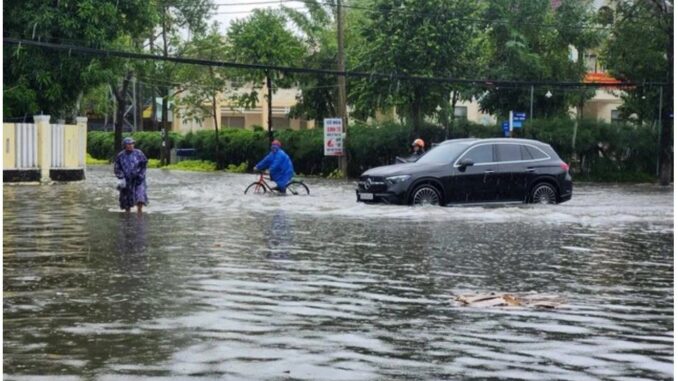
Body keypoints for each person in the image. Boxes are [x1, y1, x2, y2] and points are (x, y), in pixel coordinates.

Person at [114, 137, 148, 213]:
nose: (131, 145)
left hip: (138, 179)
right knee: (126, 200)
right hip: (126, 180)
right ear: (125, 145)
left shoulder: (139, 153)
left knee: (140, 196)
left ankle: (140, 212)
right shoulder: (120, 155)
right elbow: (117, 168)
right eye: (129, 144)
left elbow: (144, 165)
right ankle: (127, 214)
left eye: (132, 144)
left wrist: (141, 174)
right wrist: (121, 177)